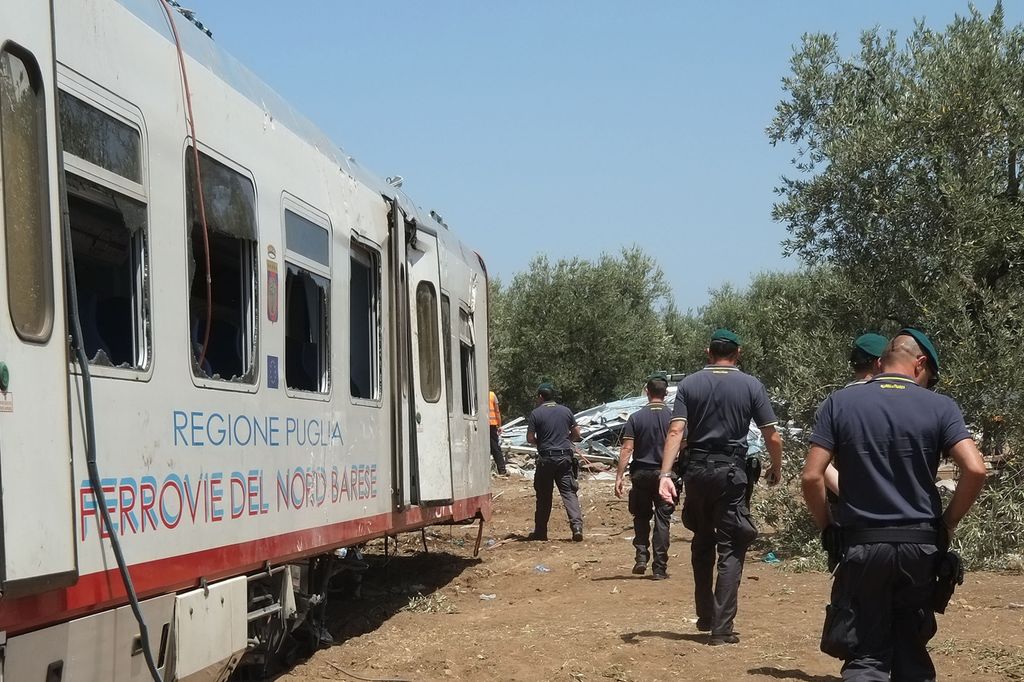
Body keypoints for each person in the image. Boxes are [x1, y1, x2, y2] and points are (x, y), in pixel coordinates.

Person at [802, 328, 987, 680]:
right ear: (919, 364)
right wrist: (946, 523)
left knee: (866, 656)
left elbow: (812, 476)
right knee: (911, 649)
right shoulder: (941, 407)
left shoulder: (839, 403)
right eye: (928, 377)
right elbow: (975, 469)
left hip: (862, 546)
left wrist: (828, 527)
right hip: (920, 548)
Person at [658, 328, 783, 645]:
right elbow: (772, 435)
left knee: (702, 540)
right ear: (738, 353)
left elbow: (675, 432)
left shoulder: (689, 384)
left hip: (697, 473)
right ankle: (722, 628)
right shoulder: (751, 385)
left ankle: (705, 615)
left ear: (708, 352)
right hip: (731, 474)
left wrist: (665, 474)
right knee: (731, 545)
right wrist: (776, 467)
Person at [615, 373, 676, 579]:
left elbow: (627, 448)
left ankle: (641, 556)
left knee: (641, 517)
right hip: (666, 475)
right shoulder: (674, 418)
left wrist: (619, 477)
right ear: (666, 394)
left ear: (647, 392)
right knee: (663, 520)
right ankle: (659, 568)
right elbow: (683, 445)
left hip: (641, 474)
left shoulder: (636, 417)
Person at [825, 333, 889, 496]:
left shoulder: (833, 404)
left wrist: (852, 497)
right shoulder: (897, 400)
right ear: (879, 363)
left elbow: (819, 466)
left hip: (848, 511)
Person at [527, 383, 584, 541]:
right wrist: (567, 440)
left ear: (540, 397)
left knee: (544, 496)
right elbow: (577, 433)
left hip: (546, 459)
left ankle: (541, 531)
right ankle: (577, 527)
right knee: (569, 492)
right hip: (564, 458)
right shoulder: (566, 411)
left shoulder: (536, 414)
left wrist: (541, 443)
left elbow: (530, 438)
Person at [488, 390, 508, 476]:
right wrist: (499, 425)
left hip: (482, 425)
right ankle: (502, 470)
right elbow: (497, 411)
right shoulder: (492, 395)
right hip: (492, 425)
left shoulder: (477, 394)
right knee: (495, 448)